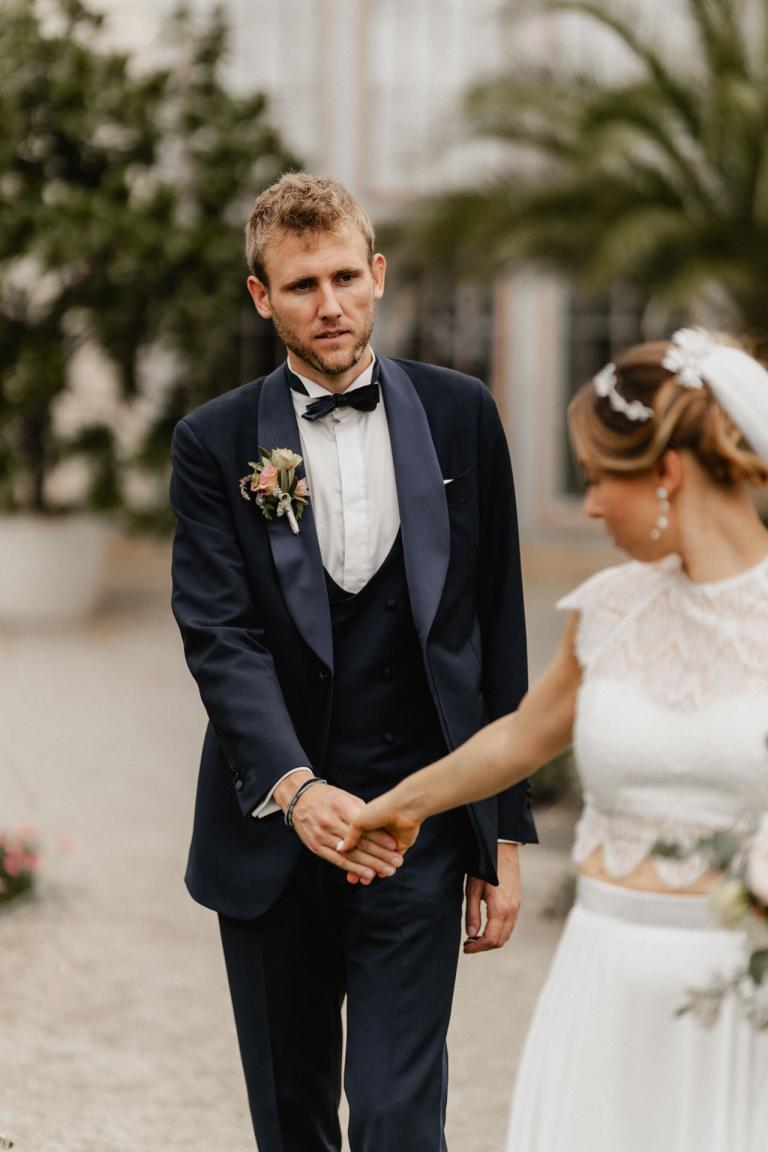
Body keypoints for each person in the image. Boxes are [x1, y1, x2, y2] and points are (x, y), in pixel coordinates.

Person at [169, 171, 537, 1152]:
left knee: (396, 1118)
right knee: (293, 1123)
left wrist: (498, 838)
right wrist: (295, 787)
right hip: (272, 838)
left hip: (416, 824)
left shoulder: (462, 415)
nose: (327, 305)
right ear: (262, 296)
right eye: (300, 286)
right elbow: (221, 634)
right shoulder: (213, 444)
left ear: (376, 275)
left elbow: (496, 626)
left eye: (343, 276)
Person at [341, 328, 768, 1152]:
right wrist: (397, 807)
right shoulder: (611, 606)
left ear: (668, 473)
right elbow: (520, 738)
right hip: (601, 980)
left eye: (604, 478)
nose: (595, 505)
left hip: (736, 993)